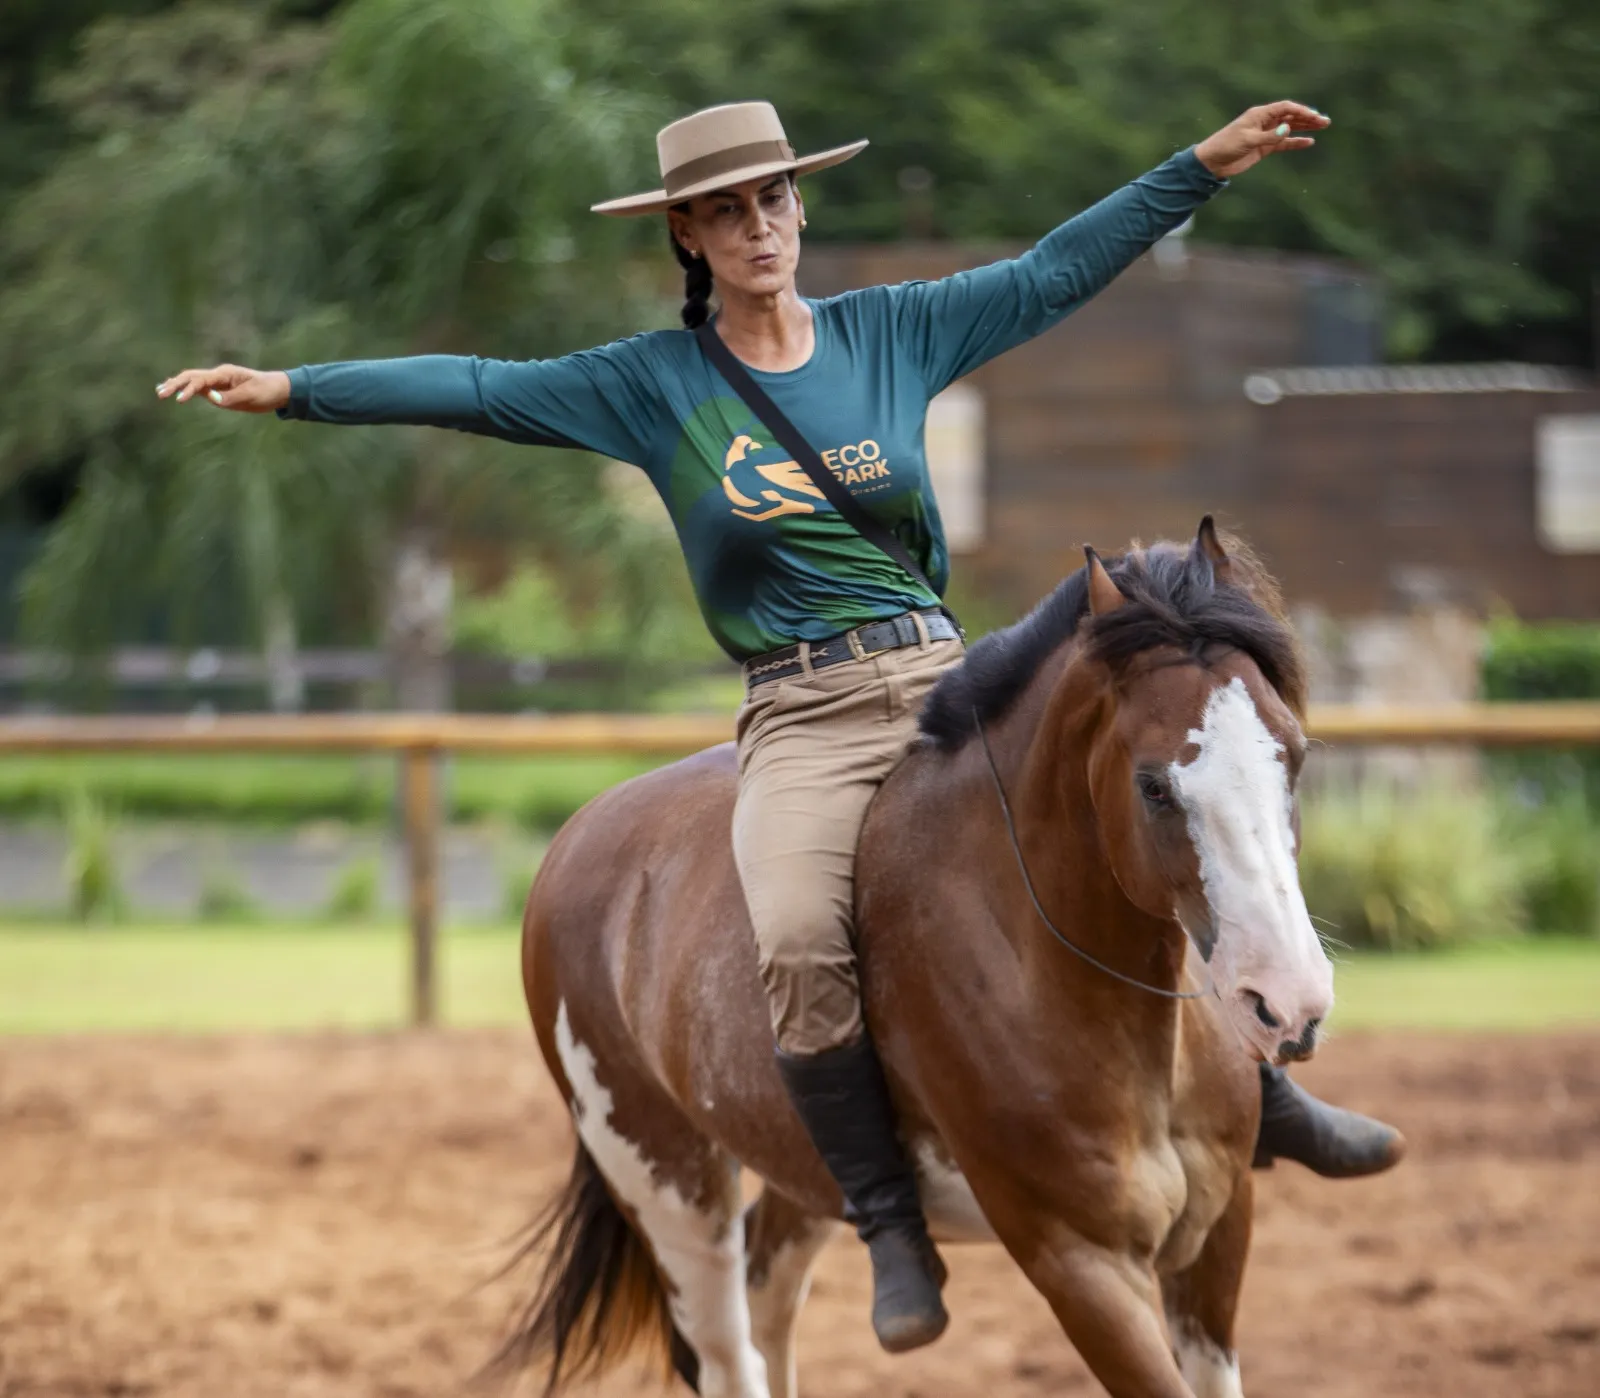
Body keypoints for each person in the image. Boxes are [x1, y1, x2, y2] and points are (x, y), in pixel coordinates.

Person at [158, 98, 1403, 1354]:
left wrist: (1200, 167)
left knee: (1138, 810)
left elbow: (1050, 273)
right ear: (687, 238)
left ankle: (1265, 1094)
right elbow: (479, 389)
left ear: (799, 210)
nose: (757, 226)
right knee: (803, 940)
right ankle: (885, 1219)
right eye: (723, 210)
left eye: (772, 201)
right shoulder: (650, 385)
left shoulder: (894, 331)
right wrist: (294, 390)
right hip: (803, 712)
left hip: (944, 674)